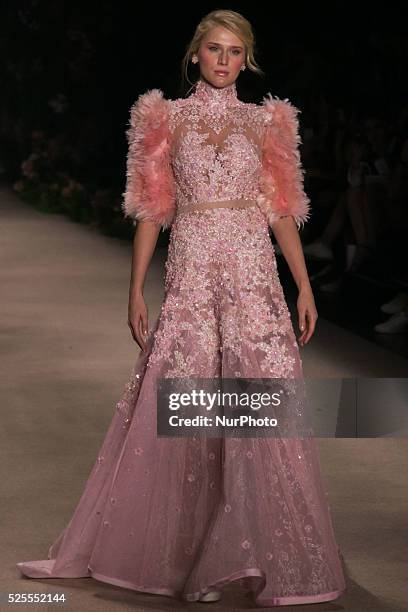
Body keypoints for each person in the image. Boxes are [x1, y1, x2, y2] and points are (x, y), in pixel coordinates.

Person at [17, 10, 346, 607]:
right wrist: (136, 286)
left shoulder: (267, 122)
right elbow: (150, 208)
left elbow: (281, 209)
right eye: (215, 49)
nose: (225, 60)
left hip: (251, 273)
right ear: (196, 54)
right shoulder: (161, 117)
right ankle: (185, 551)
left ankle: (254, 549)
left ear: (247, 60)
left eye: (236, 51)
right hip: (193, 270)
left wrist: (304, 284)